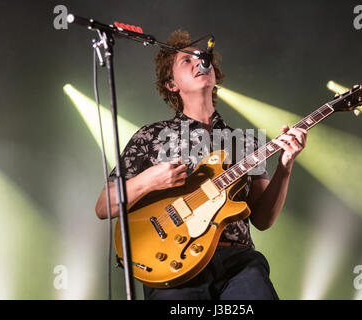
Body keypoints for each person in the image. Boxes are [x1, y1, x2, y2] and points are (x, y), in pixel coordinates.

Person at [95, 29, 307, 300]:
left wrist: (285, 166)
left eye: (203, 59)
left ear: (215, 75)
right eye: (187, 60)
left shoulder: (245, 141)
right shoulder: (152, 135)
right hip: (174, 264)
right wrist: (149, 180)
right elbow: (104, 206)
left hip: (238, 263)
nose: (200, 62)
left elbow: (263, 219)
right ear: (171, 84)